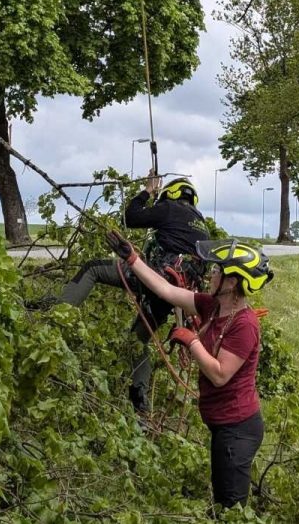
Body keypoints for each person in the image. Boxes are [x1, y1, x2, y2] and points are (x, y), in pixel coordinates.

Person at [105, 230, 273, 509]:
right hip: (222, 425)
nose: (211, 275)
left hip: (238, 429)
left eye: (217, 271)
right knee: (222, 500)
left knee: (230, 509)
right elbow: (167, 290)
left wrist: (191, 341)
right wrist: (133, 259)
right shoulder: (212, 306)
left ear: (232, 282)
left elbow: (219, 374)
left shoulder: (245, 325)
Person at [56, 172, 210, 413]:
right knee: (137, 341)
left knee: (93, 268)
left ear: (171, 194)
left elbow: (130, 217)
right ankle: (141, 405)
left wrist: (147, 191)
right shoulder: (202, 226)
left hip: (156, 278)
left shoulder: (170, 208)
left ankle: (56, 314)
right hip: (174, 295)